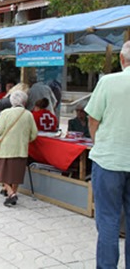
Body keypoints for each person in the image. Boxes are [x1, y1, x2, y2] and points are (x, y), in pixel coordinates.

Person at [84, 40, 130, 269]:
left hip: (109, 159)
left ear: (122, 60)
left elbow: (93, 118)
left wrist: (98, 141)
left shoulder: (108, 82)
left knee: (108, 220)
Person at [0, 90, 38, 207]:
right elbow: (34, 134)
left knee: (2, 173)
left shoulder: (5, 113)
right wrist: (24, 139)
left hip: (6, 149)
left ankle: (11, 193)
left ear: (11, 101)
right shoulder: (28, 114)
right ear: (24, 101)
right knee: (16, 174)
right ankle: (12, 192)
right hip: (21, 149)